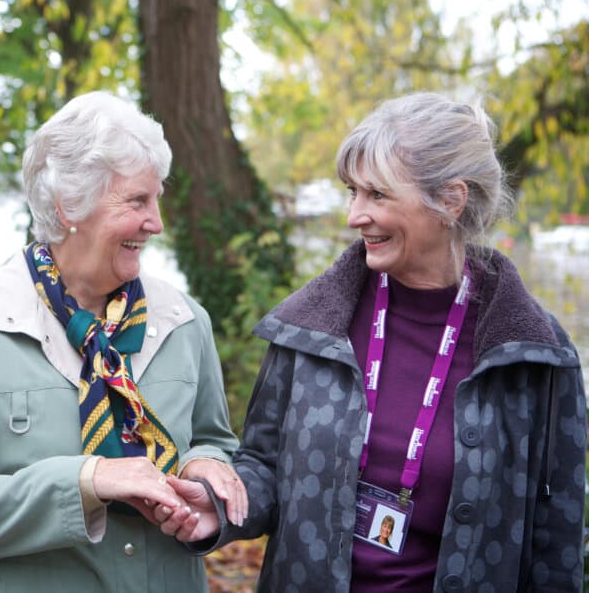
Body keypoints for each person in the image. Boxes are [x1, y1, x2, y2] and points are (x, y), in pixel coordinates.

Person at [157, 92, 586, 592]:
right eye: (352, 192)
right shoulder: (311, 327)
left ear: (450, 199)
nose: (354, 215)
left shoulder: (536, 353)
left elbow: (555, 544)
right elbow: (265, 466)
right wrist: (221, 506)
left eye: (378, 195)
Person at [0, 91, 245, 593]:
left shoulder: (184, 320)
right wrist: (88, 481)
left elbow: (213, 439)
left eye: (157, 199)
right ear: (69, 206)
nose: (157, 223)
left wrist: (208, 467)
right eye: (136, 201)